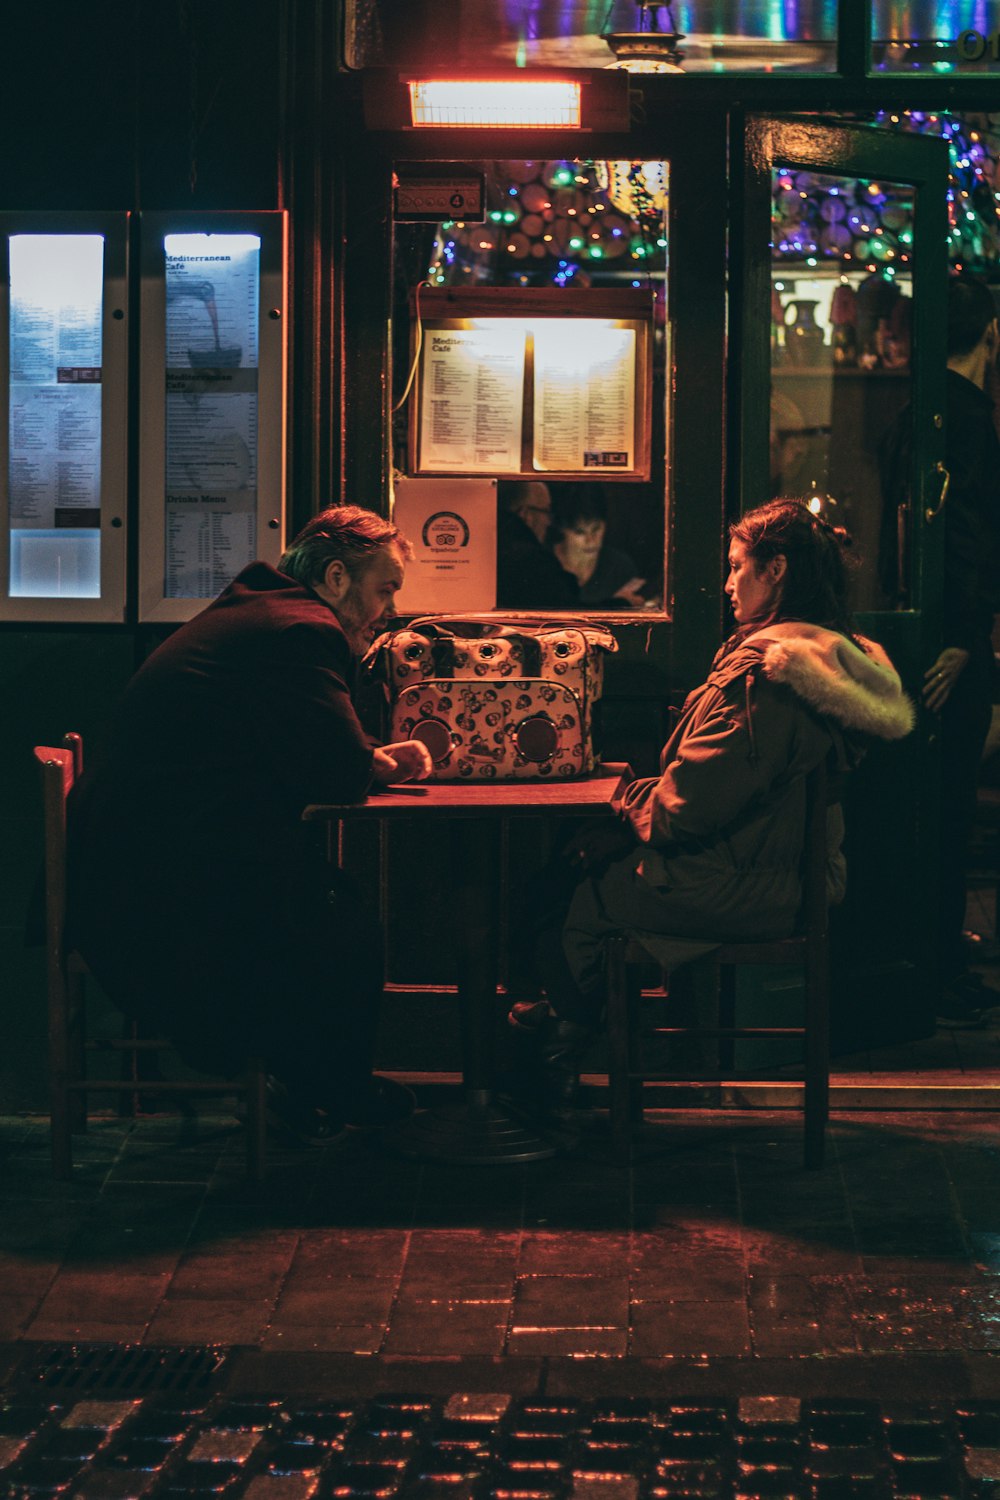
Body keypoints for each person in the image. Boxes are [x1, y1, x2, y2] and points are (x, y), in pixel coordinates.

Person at [509, 498, 915, 1110]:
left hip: (737, 885)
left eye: (736, 567)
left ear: (774, 570)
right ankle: (551, 1045)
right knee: (570, 874)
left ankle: (549, 1075)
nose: (727, 584)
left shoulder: (767, 676)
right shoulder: (832, 655)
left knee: (558, 895)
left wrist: (623, 811)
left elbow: (685, 810)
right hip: (788, 878)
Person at [67, 505, 433, 1144]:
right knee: (340, 919)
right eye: (386, 589)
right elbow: (335, 773)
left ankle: (303, 1085)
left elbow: (314, 745)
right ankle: (330, 1087)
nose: (391, 610)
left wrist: (370, 760)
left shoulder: (264, 612)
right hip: (158, 896)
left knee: (325, 899)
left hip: (125, 869)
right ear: (339, 578)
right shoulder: (300, 630)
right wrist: (375, 766)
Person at [879, 274, 1000, 1026]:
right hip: (955, 640)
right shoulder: (974, 419)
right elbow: (968, 537)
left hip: (916, 632)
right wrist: (965, 634)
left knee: (926, 804)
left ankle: (925, 953)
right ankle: (938, 968)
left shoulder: (913, 415)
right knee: (948, 807)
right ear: (991, 334)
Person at [550, 486, 645, 608]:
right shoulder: (545, 565)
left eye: (596, 529)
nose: (590, 540)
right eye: (580, 532)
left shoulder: (620, 567)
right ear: (562, 529)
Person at [496, 480, 579, 608]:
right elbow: (566, 612)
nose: (549, 522)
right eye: (546, 511)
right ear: (525, 514)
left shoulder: (485, 548)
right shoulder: (532, 561)